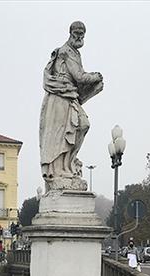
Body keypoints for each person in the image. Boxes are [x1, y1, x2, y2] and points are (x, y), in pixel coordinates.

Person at [39, 21, 103, 189]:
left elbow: (78, 81)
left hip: (70, 95)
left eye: (82, 33)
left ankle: (68, 164)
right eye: (77, 32)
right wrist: (96, 77)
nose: (79, 35)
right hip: (61, 95)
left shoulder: (75, 52)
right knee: (61, 133)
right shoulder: (66, 52)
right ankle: (60, 169)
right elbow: (80, 77)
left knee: (83, 125)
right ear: (71, 32)